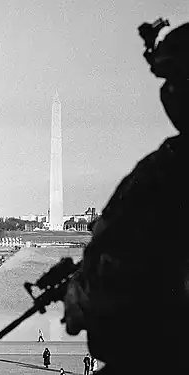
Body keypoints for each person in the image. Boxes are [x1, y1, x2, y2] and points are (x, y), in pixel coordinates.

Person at [63, 20, 189, 374]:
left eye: (175, 82)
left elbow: (117, 291)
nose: (169, 93)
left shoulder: (164, 173)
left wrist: (82, 295)